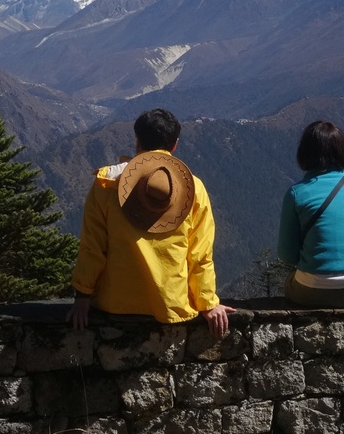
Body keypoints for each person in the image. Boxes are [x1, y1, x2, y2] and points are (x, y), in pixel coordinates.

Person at [68, 108, 235, 337]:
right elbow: (200, 253)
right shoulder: (194, 189)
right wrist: (207, 303)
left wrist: (82, 296)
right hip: (171, 304)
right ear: (175, 145)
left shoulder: (106, 184)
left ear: (137, 142)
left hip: (115, 302)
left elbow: (92, 246)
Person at [277, 120, 344, 308]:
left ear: (304, 153)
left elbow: (287, 255)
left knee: (290, 284)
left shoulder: (296, 193)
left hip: (311, 289)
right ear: (343, 151)